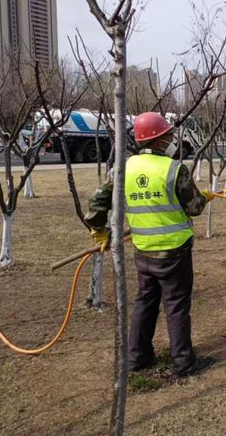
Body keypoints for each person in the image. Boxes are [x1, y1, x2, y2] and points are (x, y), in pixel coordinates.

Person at [84, 112, 215, 377]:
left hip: (143, 252)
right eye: (168, 135)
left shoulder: (122, 168)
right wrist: (204, 198)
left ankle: (137, 357)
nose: (172, 138)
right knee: (176, 306)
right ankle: (183, 363)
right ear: (158, 139)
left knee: (145, 302)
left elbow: (97, 203)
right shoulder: (173, 169)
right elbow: (194, 207)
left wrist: (99, 231)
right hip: (174, 253)